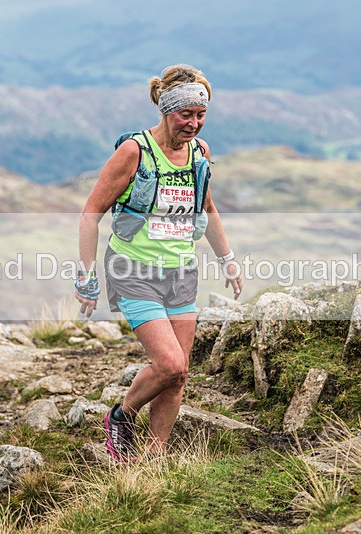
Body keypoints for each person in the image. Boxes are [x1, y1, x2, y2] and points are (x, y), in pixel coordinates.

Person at [75, 64, 243, 462]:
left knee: (179, 373)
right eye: (186, 114)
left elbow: (207, 208)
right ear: (166, 109)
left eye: (201, 115)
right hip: (134, 272)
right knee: (168, 363)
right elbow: (91, 212)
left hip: (181, 272)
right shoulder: (134, 151)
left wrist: (228, 259)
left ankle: (153, 460)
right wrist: (86, 277)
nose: (194, 124)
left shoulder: (199, 154)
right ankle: (120, 415)